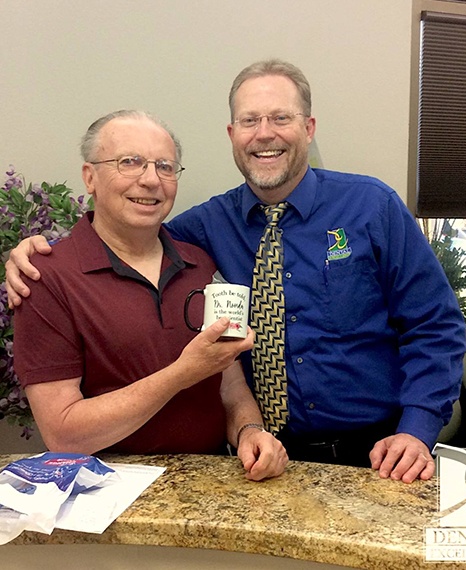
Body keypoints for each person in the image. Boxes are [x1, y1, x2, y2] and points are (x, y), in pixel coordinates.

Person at [7, 60, 466, 483]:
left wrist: (417, 428)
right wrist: (47, 249)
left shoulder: (372, 207)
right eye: (250, 121)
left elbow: (436, 324)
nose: (264, 134)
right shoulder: (205, 229)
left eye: (280, 118)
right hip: (261, 459)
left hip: (381, 453)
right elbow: (127, 229)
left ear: (308, 128)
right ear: (232, 133)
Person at [10, 110, 287, 482]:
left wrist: (249, 431)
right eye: (130, 162)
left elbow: (230, 385)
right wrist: (181, 373)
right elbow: (64, 434)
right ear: (89, 177)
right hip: (107, 501)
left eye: (165, 167)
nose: (151, 180)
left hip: (213, 486)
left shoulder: (200, 263)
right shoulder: (44, 278)